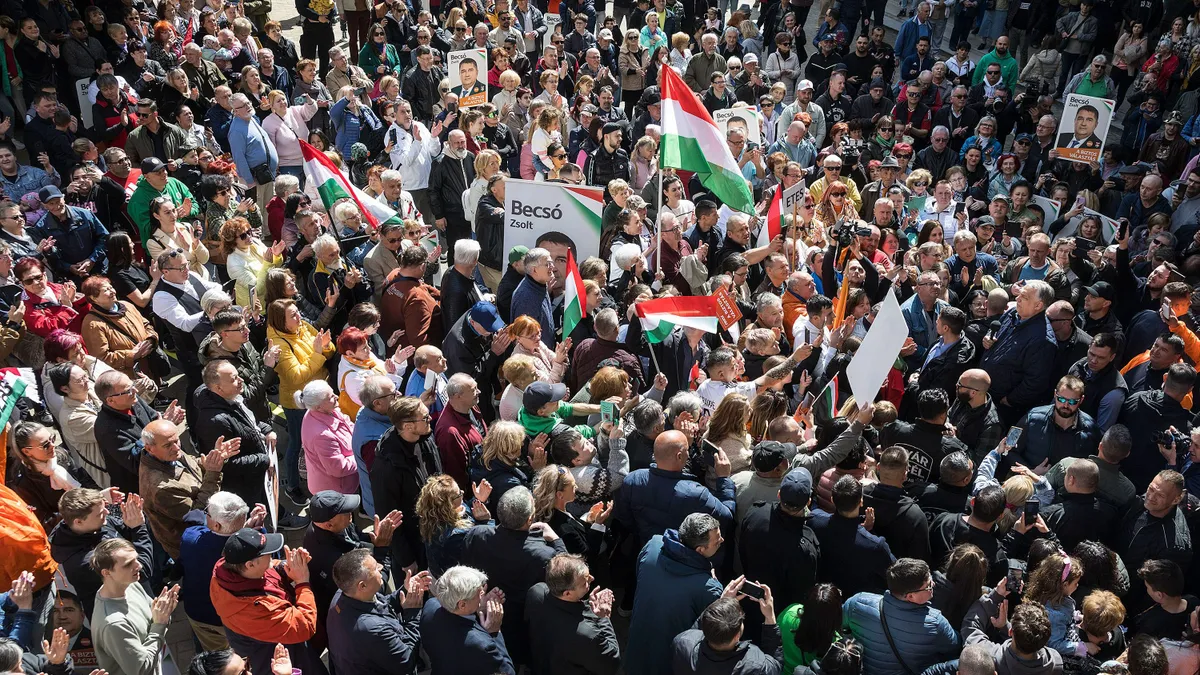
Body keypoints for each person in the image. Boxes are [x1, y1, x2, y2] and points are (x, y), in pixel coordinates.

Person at [210, 530, 325, 675]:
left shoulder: (228, 570)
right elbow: (305, 627)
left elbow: (269, 571)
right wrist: (302, 581)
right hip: (279, 659)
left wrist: (287, 567)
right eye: (266, 553)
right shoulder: (252, 611)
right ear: (250, 565)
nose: (272, 555)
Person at [625, 513, 727, 675]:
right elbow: (713, 631)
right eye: (717, 541)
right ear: (700, 550)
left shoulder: (653, 545)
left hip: (636, 650)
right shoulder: (708, 588)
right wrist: (722, 597)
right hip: (669, 661)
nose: (722, 540)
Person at [138, 418, 239, 560]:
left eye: (176, 440)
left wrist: (214, 458)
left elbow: (192, 465)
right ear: (149, 448)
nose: (176, 448)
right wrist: (213, 473)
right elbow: (197, 514)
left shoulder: (167, 455)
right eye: (168, 445)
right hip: (193, 547)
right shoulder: (161, 489)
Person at [267, 298, 336, 504]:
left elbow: (329, 350)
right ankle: (292, 486)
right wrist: (317, 352)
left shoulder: (303, 326)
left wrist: (324, 347)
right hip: (298, 403)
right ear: (281, 322)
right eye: (293, 315)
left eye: (297, 312)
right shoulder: (279, 345)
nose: (299, 317)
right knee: (297, 443)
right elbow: (296, 376)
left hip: (319, 393)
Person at [841, 558, 959, 675]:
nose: (933, 584)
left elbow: (839, 624)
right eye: (928, 586)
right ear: (910, 596)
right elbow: (955, 647)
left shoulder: (857, 603)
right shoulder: (935, 622)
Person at [325, 548, 432, 675]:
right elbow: (406, 662)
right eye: (375, 568)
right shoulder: (373, 629)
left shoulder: (344, 594)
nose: (381, 568)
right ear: (362, 585)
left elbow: (382, 604)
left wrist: (405, 590)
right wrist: (412, 614)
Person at [50, 488, 154, 617]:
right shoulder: (84, 562)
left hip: (139, 599)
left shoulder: (91, 523)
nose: (107, 512)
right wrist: (139, 529)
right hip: (121, 616)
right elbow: (142, 571)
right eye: (100, 512)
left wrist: (132, 519)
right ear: (79, 522)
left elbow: (124, 529)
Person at [90, 537, 179, 675]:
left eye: (136, 559)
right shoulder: (114, 624)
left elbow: (157, 616)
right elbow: (141, 669)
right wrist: (160, 624)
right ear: (106, 573)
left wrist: (163, 611)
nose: (139, 566)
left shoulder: (130, 584)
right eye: (128, 564)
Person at [420, 565, 513, 674]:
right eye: (478, 592)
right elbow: (507, 672)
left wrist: (477, 607)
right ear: (462, 604)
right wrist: (494, 632)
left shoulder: (430, 606)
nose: (482, 593)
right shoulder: (482, 644)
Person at [228, 93, 279, 209]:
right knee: (259, 213)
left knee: (269, 212)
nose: (248, 106)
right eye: (243, 105)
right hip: (255, 181)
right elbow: (239, 159)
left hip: (267, 176)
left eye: (248, 103)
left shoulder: (251, 119)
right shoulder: (236, 130)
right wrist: (250, 182)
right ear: (236, 111)